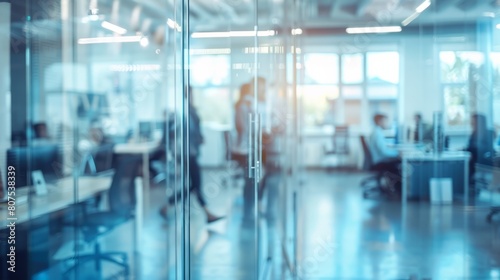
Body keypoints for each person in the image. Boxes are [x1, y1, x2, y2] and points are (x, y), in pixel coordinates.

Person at [159, 86, 224, 223]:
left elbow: (194, 131)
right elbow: (180, 132)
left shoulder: (189, 110)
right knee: (195, 184)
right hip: (186, 153)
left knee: (193, 185)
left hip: (190, 152)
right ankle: (207, 214)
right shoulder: (181, 111)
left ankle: (167, 206)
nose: (192, 95)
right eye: (190, 93)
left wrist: (199, 138)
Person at [369, 113, 401, 192]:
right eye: (385, 121)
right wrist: (397, 154)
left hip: (377, 160)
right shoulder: (378, 133)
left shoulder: (376, 131)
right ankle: (397, 188)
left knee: (398, 161)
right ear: (379, 121)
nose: (387, 123)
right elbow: (384, 152)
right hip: (379, 162)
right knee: (399, 163)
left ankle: (394, 186)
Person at [465, 113, 496, 181]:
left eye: (473, 122)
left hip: (483, 160)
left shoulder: (488, 133)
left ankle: (469, 182)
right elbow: (470, 147)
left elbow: (481, 149)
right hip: (475, 160)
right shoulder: (474, 133)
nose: (471, 123)